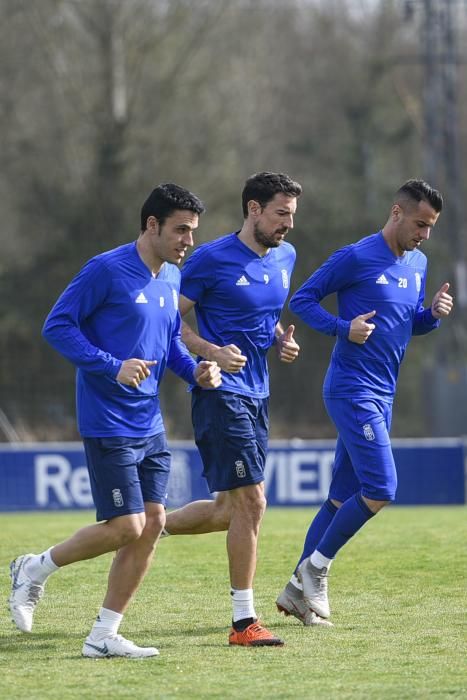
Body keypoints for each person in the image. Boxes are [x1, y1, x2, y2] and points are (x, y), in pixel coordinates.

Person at [9, 183, 222, 658]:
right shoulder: (105, 269)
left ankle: (104, 634)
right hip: (108, 420)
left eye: (193, 231)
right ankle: (34, 569)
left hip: (151, 425)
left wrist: (197, 373)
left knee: (152, 524)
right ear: (152, 225)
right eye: (181, 230)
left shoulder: (170, 277)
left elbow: (168, 345)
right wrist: (112, 365)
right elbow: (57, 326)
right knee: (127, 526)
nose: (189, 240)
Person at [275, 179, 453, 626]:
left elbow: (404, 323)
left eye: (431, 227)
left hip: (384, 394)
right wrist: (342, 327)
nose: (424, 234)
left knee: (340, 496)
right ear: (396, 212)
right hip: (352, 389)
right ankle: (316, 569)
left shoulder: (418, 262)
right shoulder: (356, 256)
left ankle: (297, 594)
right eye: (419, 223)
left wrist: (430, 315)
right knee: (381, 488)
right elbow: (302, 299)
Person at [163, 172, 302, 646]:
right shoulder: (210, 259)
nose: (288, 224)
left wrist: (281, 340)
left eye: (292, 215)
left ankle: (143, 527)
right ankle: (244, 622)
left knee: (228, 510)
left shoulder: (286, 256)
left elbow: (264, 315)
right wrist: (210, 352)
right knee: (253, 502)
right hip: (221, 392)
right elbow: (170, 321)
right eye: (281, 213)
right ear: (253, 209)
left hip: (258, 394)